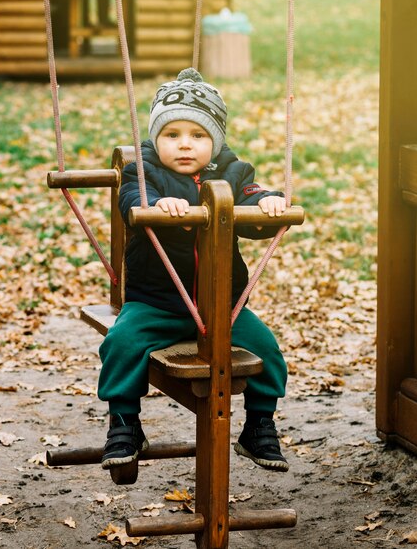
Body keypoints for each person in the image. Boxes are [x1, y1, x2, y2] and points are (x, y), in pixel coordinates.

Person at [98, 68, 289, 472]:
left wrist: (270, 203)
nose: (185, 145)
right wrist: (155, 206)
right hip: (157, 304)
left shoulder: (233, 174)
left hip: (223, 310)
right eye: (172, 135)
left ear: (215, 141)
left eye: (198, 136)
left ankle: (258, 425)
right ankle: (124, 423)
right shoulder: (146, 173)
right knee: (120, 343)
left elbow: (254, 201)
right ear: (155, 139)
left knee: (268, 350)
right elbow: (131, 200)